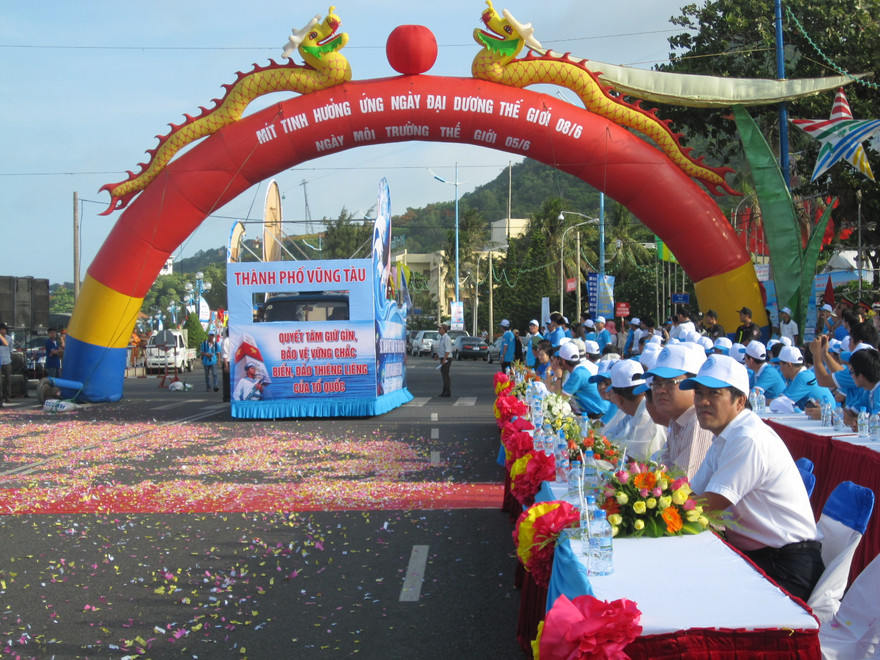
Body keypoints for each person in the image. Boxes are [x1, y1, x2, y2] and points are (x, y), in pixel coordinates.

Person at [683, 355, 824, 601]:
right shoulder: (724, 437)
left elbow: (709, 504)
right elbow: (692, 494)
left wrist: (656, 508)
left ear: (739, 401)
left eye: (714, 394)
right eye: (698, 393)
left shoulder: (747, 438)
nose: (702, 401)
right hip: (762, 556)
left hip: (786, 566)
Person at [642, 343, 713, 479]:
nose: (660, 390)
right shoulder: (678, 421)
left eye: (670, 382)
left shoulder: (698, 422)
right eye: (656, 384)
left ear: (694, 385)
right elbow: (663, 471)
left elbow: (683, 486)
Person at [605, 359, 667, 462]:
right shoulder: (633, 411)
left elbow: (634, 462)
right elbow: (608, 438)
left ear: (618, 398)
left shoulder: (647, 414)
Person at [553, 342, 609, 419]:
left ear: (563, 361)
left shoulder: (578, 374)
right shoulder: (579, 370)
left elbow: (559, 399)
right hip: (596, 412)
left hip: (598, 414)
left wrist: (558, 377)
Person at [770, 346, 835, 413]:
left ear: (789, 365)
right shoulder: (801, 375)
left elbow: (777, 404)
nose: (780, 369)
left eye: (780, 365)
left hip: (828, 419)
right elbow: (780, 400)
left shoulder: (803, 377)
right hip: (823, 418)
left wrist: (796, 410)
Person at [435, 322, 453, 397]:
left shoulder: (447, 338)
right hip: (443, 357)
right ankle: (444, 391)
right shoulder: (442, 338)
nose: (439, 330)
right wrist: (437, 355)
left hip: (447, 358)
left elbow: (448, 350)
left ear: (444, 330)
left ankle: (447, 392)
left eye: (440, 328)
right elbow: (441, 348)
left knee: (445, 375)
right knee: (444, 375)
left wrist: (444, 360)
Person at [0, 323, 11, 405]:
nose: (2, 330)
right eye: (1, 329)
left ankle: (7, 396)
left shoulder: (9, 339)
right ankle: (1, 398)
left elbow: (10, 348)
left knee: (7, 379)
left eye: (3, 329)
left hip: (6, 360)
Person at [220, 329, 231, 402]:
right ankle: (226, 396)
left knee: (231, 380)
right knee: (226, 381)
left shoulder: (233, 340)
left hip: (232, 362)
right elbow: (224, 354)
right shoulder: (226, 341)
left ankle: (230, 395)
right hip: (227, 362)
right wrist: (226, 365)